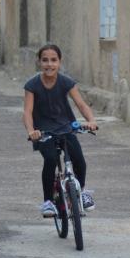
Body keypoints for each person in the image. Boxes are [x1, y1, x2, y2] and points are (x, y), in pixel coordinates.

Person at [23, 44, 98, 217]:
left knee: (79, 160)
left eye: (53, 60)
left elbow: (81, 104)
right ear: (39, 62)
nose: (49, 64)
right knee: (50, 159)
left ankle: (82, 191)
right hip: (43, 132)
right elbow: (27, 112)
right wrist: (31, 131)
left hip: (66, 128)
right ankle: (48, 202)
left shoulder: (66, 82)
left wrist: (91, 121)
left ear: (60, 62)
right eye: (45, 60)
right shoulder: (32, 85)